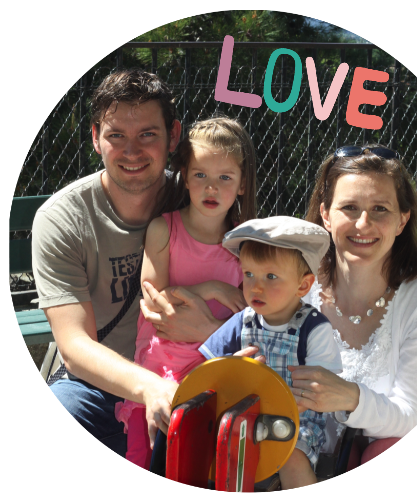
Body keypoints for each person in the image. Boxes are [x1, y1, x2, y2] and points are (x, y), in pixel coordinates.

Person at [31, 69, 259, 456]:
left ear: (173, 135)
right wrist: (152, 387)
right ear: (95, 138)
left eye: (147, 134)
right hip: (96, 383)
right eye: (116, 135)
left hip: (201, 372)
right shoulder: (63, 219)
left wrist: (212, 331)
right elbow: (74, 345)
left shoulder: (202, 196)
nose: (132, 151)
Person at [288, 145, 417, 468]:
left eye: (380, 209)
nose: (363, 224)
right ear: (326, 214)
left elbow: (414, 416)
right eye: (350, 207)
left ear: (402, 220)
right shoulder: (293, 284)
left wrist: (350, 397)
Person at [114, 117, 258, 469]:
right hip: (161, 362)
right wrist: (211, 289)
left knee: (203, 462)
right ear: (184, 176)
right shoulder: (164, 229)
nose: (211, 187)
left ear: (242, 184)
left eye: (225, 178)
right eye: (200, 175)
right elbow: (153, 300)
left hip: (216, 363)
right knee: (144, 455)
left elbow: (252, 313)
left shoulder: (246, 242)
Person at [199, 217, 343, 489]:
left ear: (303, 286)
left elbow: (320, 388)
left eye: (271, 277)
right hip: (242, 417)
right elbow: (207, 369)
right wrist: (229, 368)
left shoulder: (313, 328)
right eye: (249, 274)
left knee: (292, 457)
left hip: (294, 421)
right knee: (205, 443)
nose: (256, 286)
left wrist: (284, 402)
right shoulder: (242, 321)